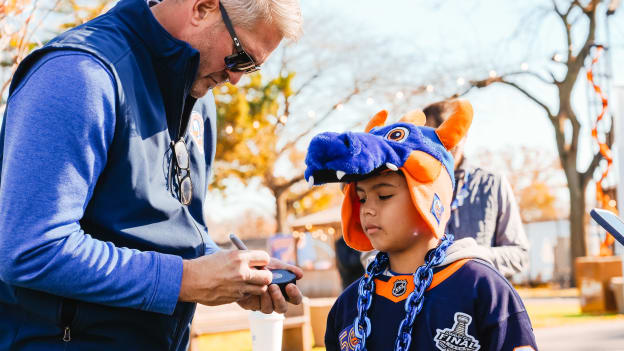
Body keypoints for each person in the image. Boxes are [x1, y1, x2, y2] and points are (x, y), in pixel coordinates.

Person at [0, 0, 303, 349]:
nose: (236, 78)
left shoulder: (200, 99)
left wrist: (230, 273)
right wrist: (185, 280)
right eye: (241, 57)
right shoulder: (78, 73)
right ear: (202, 7)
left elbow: (177, 225)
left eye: (250, 69)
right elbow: (32, 250)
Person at [304, 100, 537, 350]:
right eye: (361, 198)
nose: (368, 208)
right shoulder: (348, 304)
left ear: (427, 199)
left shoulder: (484, 289)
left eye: (384, 195)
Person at [361, 99, 530, 278]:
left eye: (452, 141)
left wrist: (472, 257)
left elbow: (520, 254)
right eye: (432, 140)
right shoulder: (401, 182)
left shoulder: (493, 184)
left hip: (476, 297)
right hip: (413, 299)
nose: (444, 149)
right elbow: (370, 252)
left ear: (464, 136)